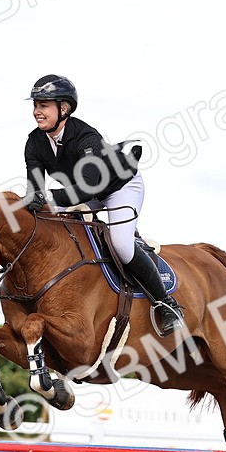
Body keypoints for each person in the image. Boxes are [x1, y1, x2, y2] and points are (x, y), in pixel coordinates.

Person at [22, 74, 184, 337]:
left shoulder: (86, 138)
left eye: (44, 105)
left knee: (120, 244)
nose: (37, 112)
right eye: (36, 105)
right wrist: (33, 199)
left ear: (64, 108)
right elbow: (35, 189)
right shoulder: (34, 142)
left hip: (119, 188)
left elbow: (88, 188)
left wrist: (47, 197)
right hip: (82, 194)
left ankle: (167, 304)